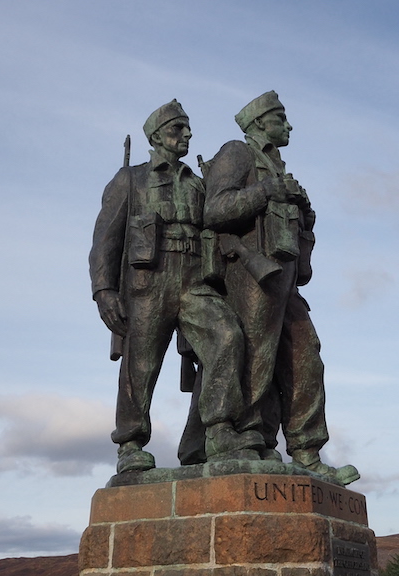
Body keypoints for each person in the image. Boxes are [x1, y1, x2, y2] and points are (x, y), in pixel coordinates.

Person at [187, 91, 358, 485]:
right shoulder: (238, 153)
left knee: (305, 354)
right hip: (249, 273)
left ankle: (307, 450)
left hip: (284, 277)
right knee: (255, 352)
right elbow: (214, 211)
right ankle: (247, 436)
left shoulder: (276, 166)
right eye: (281, 118)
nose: (289, 125)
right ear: (260, 123)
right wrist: (268, 192)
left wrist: (304, 211)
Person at [89, 100, 263, 474]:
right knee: (142, 363)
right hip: (148, 282)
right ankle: (131, 443)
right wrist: (104, 291)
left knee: (227, 336)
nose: (186, 134)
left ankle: (219, 430)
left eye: (186, 129)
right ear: (156, 137)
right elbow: (105, 241)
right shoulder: (130, 180)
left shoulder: (198, 183)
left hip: (193, 279)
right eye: (177, 129)